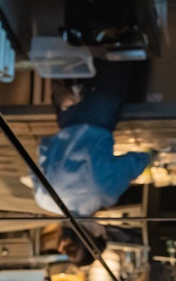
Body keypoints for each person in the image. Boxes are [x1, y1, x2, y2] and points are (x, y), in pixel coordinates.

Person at [29, 62, 153, 228]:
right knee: (75, 56)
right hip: (66, 114)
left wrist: (151, 156)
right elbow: (43, 148)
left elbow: (135, 162)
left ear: (92, 229)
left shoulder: (104, 194)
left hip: (100, 111)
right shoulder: (43, 199)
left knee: (116, 54)